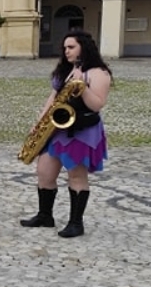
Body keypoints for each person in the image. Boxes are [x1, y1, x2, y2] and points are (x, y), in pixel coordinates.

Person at [20, 30, 112, 238]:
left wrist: (82, 86)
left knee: (77, 175)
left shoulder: (98, 73)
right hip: (57, 129)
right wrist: (40, 121)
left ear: (84, 48)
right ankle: (45, 215)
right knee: (44, 172)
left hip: (82, 130)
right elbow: (53, 97)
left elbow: (97, 104)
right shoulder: (66, 70)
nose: (66, 51)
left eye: (71, 47)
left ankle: (75, 223)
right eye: (65, 48)